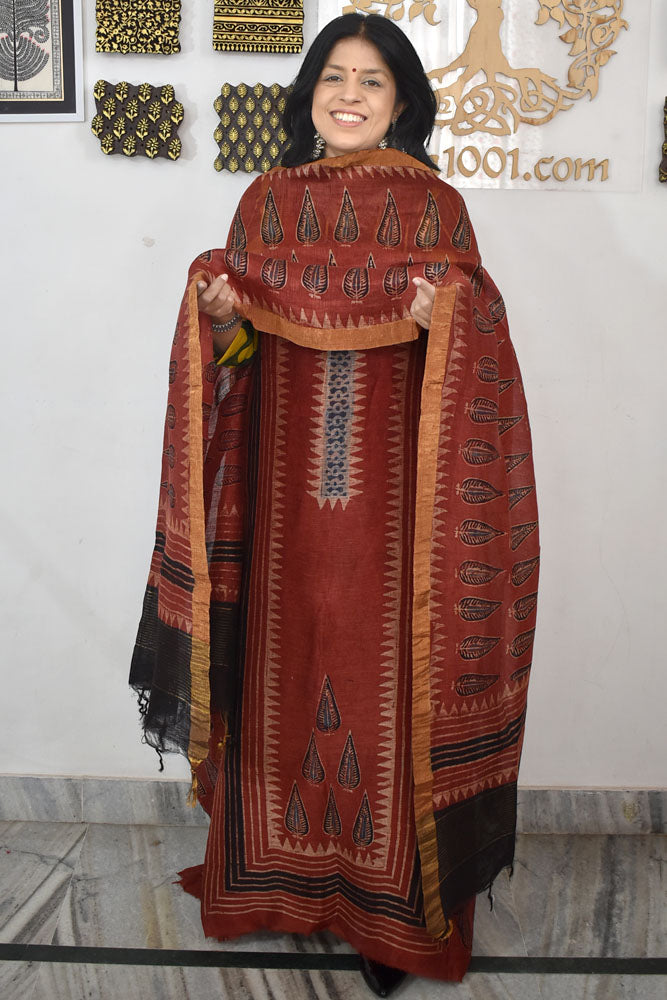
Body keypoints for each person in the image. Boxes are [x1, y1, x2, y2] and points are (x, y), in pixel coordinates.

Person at [130, 12, 539, 997]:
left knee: (384, 686)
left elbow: (479, 352)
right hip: (278, 516)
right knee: (276, 672)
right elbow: (240, 357)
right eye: (334, 77)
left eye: (372, 81)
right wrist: (220, 318)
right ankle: (278, 888)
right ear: (308, 93)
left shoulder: (436, 210)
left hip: (403, 527)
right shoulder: (265, 204)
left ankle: (388, 920)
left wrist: (444, 317)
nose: (349, 95)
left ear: (402, 103)